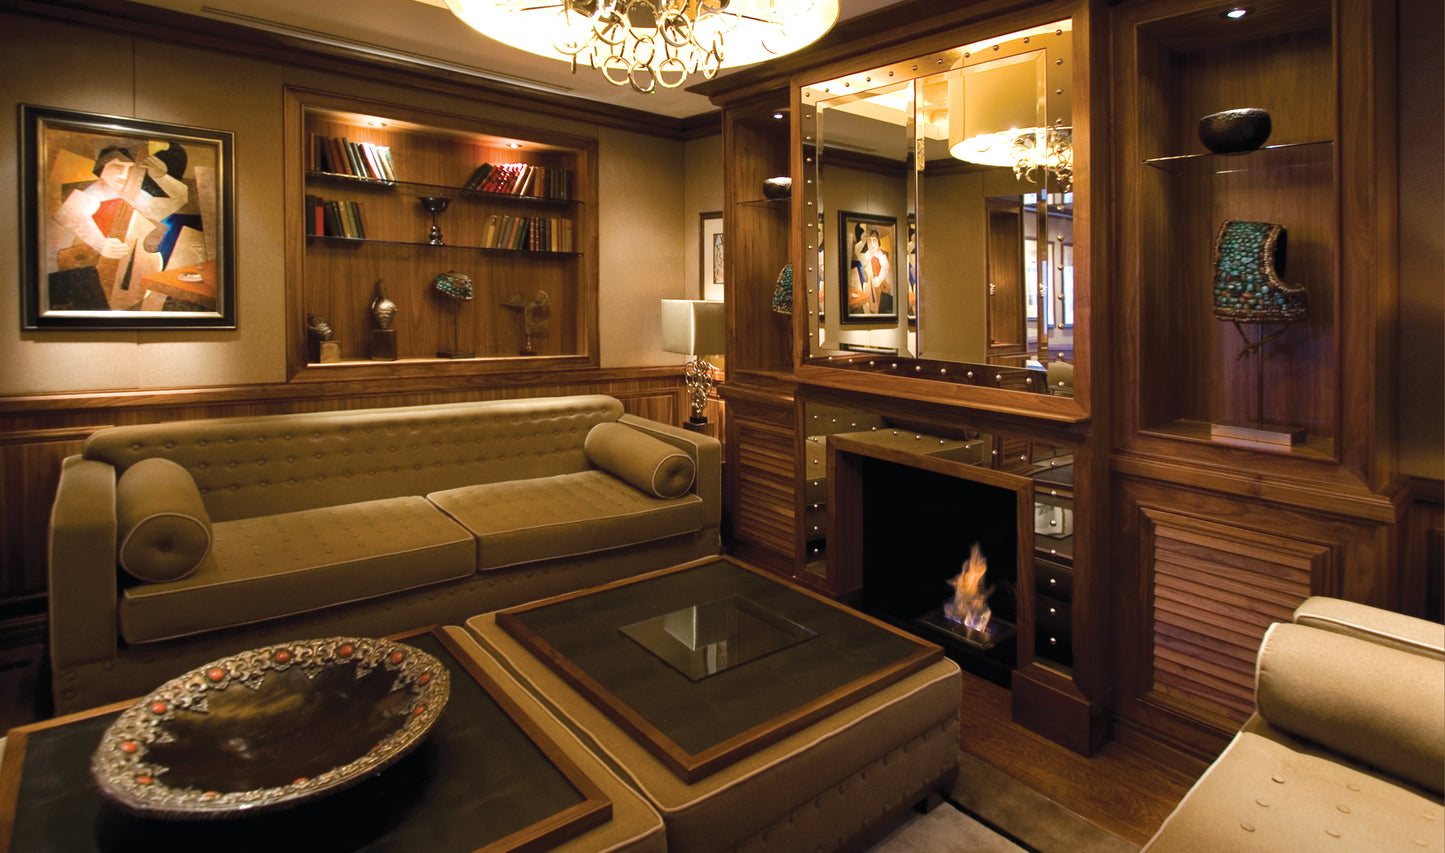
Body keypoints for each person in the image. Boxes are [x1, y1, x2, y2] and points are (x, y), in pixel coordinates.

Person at [49, 143, 190, 310]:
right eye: (116, 167)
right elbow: (67, 214)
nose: (123, 176)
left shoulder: (136, 195)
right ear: (101, 168)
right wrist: (101, 244)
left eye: (130, 169)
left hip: (131, 269)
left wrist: (160, 176)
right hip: (91, 270)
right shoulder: (90, 194)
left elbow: (180, 199)